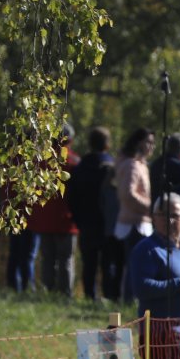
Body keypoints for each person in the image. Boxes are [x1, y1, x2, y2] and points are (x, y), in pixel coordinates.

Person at [21, 123, 81, 294]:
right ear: (70, 139)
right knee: (66, 259)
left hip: (44, 218)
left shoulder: (39, 160)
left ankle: (47, 290)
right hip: (66, 219)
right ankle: (65, 293)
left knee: (47, 259)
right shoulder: (73, 161)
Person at [67, 126, 120, 300]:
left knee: (89, 263)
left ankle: (90, 295)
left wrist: (77, 219)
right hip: (108, 223)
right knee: (108, 263)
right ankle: (109, 296)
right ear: (107, 144)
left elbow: (71, 197)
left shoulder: (80, 167)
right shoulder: (112, 167)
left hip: (86, 222)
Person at [127, 193, 180, 318]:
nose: (168, 220)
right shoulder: (146, 249)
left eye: (174, 216)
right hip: (158, 327)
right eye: (162, 215)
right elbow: (141, 288)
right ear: (154, 218)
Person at [113, 127, 156, 274]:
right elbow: (128, 193)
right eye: (148, 142)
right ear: (138, 143)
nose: (152, 146)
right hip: (133, 225)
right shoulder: (132, 165)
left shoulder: (140, 165)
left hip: (140, 223)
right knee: (135, 268)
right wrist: (150, 207)